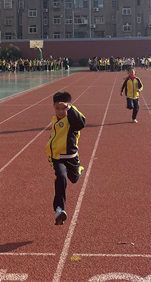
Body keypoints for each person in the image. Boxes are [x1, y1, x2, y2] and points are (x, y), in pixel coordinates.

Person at [46, 91, 86, 226]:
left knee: (74, 179)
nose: (60, 112)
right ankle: (59, 210)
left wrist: (69, 108)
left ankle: (79, 170)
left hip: (72, 157)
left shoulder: (71, 120)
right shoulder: (54, 119)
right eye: (57, 108)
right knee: (61, 177)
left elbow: (81, 123)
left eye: (62, 109)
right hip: (57, 157)